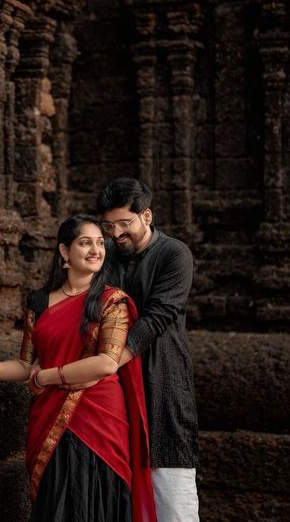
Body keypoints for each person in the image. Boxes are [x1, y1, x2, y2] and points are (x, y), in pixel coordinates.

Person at [0, 214, 156, 522]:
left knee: (95, 500)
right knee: (56, 499)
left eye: (100, 243)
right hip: (49, 414)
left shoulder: (111, 301)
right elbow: (25, 364)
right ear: (65, 251)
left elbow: (106, 363)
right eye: (85, 243)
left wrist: (48, 375)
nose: (95, 250)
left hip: (100, 417)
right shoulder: (39, 301)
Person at [96, 177, 200, 521]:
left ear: (147, 216)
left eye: (125, 223)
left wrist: (109, 361)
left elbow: (158, 318)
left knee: (170, 489)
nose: (116, 233)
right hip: (112, 388)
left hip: (162, 380)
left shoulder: (174, 254)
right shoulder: (106, 254)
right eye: (109, 225)